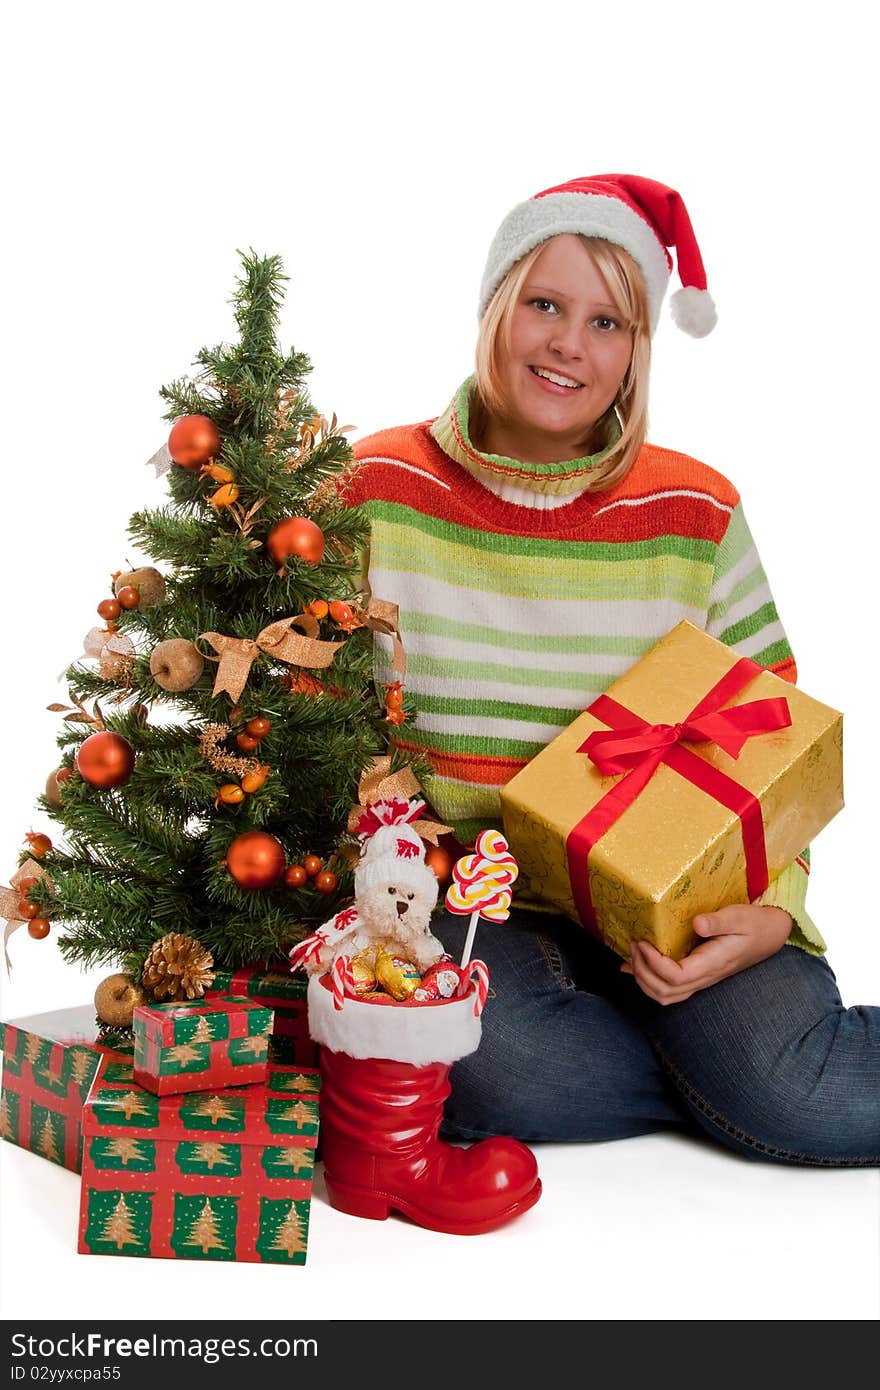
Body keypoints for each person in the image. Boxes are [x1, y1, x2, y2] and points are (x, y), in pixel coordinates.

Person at [343, 174, 880, 1165]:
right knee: (491, 1064)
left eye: (607, 322)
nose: (567, 346)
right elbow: (317, 715)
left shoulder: (695, 509)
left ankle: (757, 1076)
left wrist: (771, 915)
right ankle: (726, 1081)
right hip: (475, 894)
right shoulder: (379, 485)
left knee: (809, 1103)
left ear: (636, 352)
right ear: (496, 306)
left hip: (674, 893)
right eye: (544, 304)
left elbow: (773, 749)